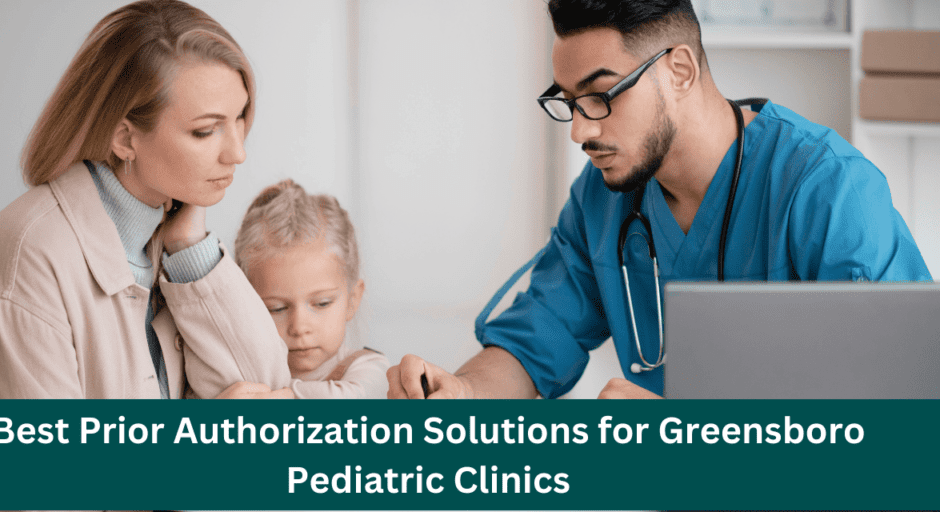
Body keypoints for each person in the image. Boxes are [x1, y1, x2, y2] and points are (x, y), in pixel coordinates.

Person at [387, 0, 932, 400]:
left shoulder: (829, 190)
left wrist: (691, 443)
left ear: (680, 71)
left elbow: (898, 411)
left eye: (600, 97)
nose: (578, 131)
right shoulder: (603, 198)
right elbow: (534, 344)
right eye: (570, 102)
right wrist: (461, 393)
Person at [0, 0, 293, 399]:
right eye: (205, 131)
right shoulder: (28, 267)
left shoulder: (163, 242)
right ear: (125, 138)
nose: (238, 153)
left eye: (239, 118)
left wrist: (192, 255)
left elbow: (268, 399)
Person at [235, 179, 388, 399]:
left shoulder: (371, 368)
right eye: (276, 308)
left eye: (322, 303)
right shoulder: (240, 371)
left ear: (352, 299)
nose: (299, 327)